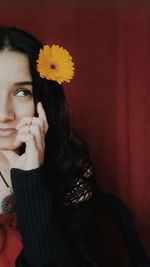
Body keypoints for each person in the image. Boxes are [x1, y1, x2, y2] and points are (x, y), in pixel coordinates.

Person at [0, 26, 99, 267]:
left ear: (43, 100)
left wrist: (31, 179)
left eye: (22, 92)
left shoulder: (72, 169)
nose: (4, 114)